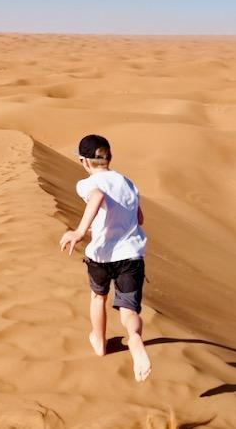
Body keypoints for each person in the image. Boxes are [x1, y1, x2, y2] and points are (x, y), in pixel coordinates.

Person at [59, 134, 151, 382]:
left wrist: (80, 231)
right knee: (128, 309)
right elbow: (138, 219)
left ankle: (99, 343)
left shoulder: (86, 184)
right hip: (131, 255)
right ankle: (134, 338)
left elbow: (98, 197)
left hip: (100, 256)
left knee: (98, 297)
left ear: (84, 161)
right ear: (109, 157)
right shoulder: (129, 183)